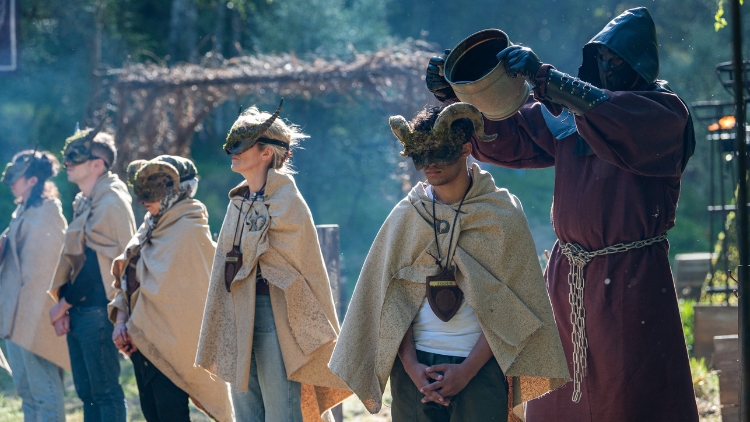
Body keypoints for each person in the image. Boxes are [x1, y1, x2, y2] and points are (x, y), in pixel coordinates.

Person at [425, 7, 698, 422]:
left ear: (640, 66)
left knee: (630, 393)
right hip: (568, 276)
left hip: (631, 278)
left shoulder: (660, 114)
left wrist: (546, 79)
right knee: (561, 391)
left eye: (617, 60)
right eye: (601, 59)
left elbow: (608, 114)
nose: (607, 67)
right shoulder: (571, 117)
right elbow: (507, 134)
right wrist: (456, 96)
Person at [329, 102, 570, 422]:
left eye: (439, 153)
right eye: (421, 156)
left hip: (481, 371)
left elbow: (518, 304)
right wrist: (413, 367)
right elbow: (387, 301)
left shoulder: (502, 214)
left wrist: (467, 371)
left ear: (466, 149)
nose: (429, 165)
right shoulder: (406, 216)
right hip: (416, 375)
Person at [195, 101, 351, 422]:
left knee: (283, 414)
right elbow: (226, 268)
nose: (232, 152)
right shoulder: (237, 203)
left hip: (275, 316)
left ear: (267, 153)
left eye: (243, 145)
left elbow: (293, 268)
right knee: (246, 413)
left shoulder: (287, 201)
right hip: (238, 315)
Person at [108, 155, 232, 422]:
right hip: (141, 344)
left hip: (172, 348)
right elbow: (129, 279)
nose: (143, 200)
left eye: (154, 189)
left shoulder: (189, 229)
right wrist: (121, 322)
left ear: (176, 190)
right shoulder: (151, 224)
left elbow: (187, 302)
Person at [48, 124, 135, 422]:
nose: (68, 163)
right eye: (67, 156)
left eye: (76, 157)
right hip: (82, 310)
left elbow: (96, 268)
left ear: (97, 164)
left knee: (105, 394)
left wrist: (62, 305)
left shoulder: (111, 200)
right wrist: (67, 306)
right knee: (88, 394)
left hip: (99, 311)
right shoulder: (85, 201)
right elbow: (73, 261)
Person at [0, 150, 68, 421]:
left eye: (17, 177)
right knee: (27, 393)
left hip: (37, 318)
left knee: (46, 392)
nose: (11, 182)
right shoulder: (22, 211)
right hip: (16, 317)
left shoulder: (48, 212)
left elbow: (50, 272)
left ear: (32, 180)